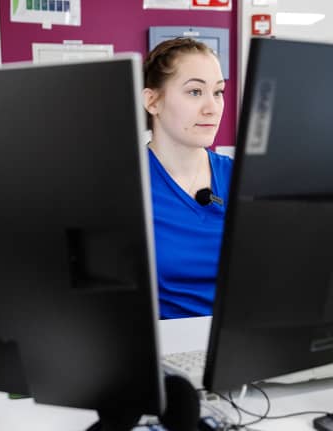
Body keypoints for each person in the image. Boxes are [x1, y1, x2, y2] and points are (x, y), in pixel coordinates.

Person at [142, 38, 233, 319]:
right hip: (163, 351)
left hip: (238, 344)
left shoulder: (239, 177)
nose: (212, 108)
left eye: (218, 92)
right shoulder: (129, 185)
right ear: (153, 101)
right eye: (195, 92)